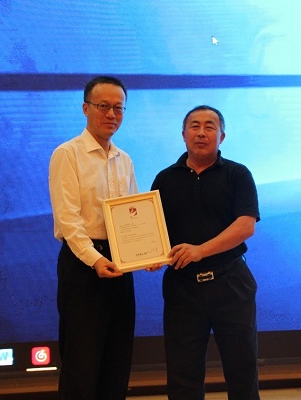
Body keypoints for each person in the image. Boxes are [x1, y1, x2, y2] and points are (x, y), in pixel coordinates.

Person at [151, 105, 261, 399]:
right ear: (183, 135)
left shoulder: (238, 174)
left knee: (242, 370)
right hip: (182, 287)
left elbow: (246, 226)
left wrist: (201, 250)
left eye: (210, 126)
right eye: (195, 126)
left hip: (231, 282)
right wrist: (149, 255)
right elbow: (152, 230)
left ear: (221, 136)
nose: (201, 133)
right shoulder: (165, 179)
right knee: (182, 374)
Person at [48, 76, 137, 399]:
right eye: (103, 106)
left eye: (118, 108)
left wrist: (145, 253)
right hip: (84, 265)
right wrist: (96, 260)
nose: (111, 114)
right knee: (82, 363)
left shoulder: (124, 159)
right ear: (85, 108)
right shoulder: (67, 154)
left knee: (117, 358)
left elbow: (132, 216)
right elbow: (68, 220)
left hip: (120, 264)